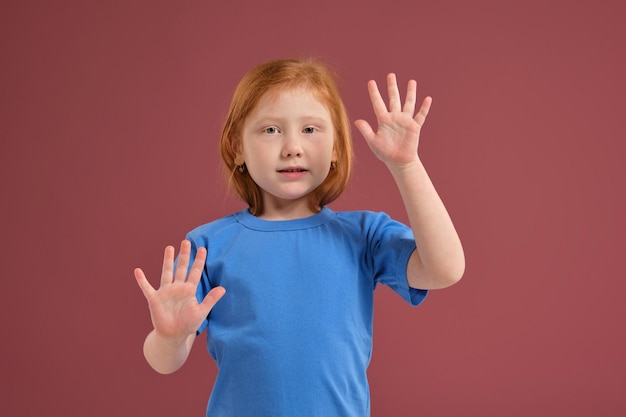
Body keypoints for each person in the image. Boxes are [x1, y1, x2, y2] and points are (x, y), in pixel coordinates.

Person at [134, 58, 465, 417]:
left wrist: (406, 166)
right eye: (271, 130)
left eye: (310, 129)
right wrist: (168, 338)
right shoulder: (207, 246)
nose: (292, 146)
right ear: (237, 148)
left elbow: (445, 269)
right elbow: (164, 362)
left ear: (336, 147)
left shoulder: (364, 236)